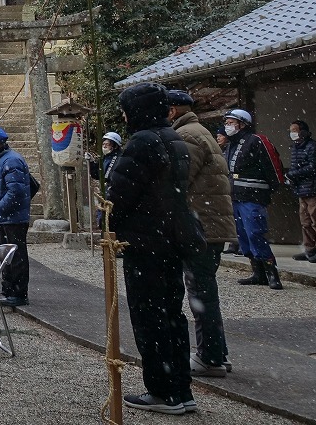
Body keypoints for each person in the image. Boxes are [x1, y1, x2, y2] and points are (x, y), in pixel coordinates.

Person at [108, 83, 196, 415]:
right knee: (172, 314)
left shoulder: (142, 142)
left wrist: (109, 217)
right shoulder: (173, 138)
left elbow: (120, 196)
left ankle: (162, 391)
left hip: (146, 241)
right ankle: (181, 388)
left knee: (149, 317)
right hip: (172, 237)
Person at [167, 90, 235, 378]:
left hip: (201, 225)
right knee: (205, 291)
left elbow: (178, 181)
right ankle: (217, 352)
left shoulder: (187, 136)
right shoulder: (199, 131)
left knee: (200, 293)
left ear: (172, 111)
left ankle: (210, 356)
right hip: (209, 223)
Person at [223, 108, 283, 289]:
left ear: (242, 124)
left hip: (253, 196)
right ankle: (258, 272)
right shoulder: (231, 144)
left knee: (255, 233)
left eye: (231, 122)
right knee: (242, 236)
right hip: (235, 196)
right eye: (226, 123)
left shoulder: (257, 141)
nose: (227, 126)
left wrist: (272, 187)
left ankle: (272, 273)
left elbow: (273, 166)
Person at [0, 125, 31, 307]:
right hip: (7, 217)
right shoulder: (2, 159)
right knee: (7, 255)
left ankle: (19, 293)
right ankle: (8, 289)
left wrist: (0, 208)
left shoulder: (11, 161)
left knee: (16, 255)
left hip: (14, 217)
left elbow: (15, 191)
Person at [286, 120, 316, 263]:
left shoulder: (313, 147)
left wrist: (293, 174)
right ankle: (310, 249)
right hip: (302, 189)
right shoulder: (296, 147)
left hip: (314, 188)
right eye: (291, 131)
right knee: (305, 222)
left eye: (294, 130)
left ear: (303, 132)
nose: (292, 134)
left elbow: (314, 167)